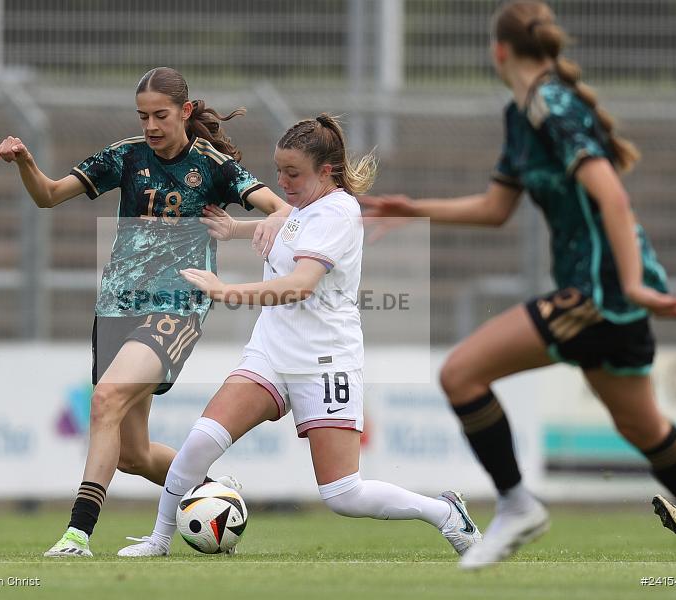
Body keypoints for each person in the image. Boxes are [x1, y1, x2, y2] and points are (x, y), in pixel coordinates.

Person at [360, 1, 676, 583]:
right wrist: (414, 208)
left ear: (499, 51)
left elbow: (613, 197)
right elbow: (497, 208)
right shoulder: (521, 114)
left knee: (461, 374)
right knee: (643, 427)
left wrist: (628, 285)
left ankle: (517, 505)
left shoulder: (552, 105)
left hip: (601, 290)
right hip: (607, 291)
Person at [116, 114, 483, 558]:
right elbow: (290, 223)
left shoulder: (339, 212)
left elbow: (299, 284)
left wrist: (224, 290)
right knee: (198, 444)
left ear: (325, 172)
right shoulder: (306, 205)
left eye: (293, 173)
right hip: (271, 353)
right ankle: (159, 540)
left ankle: (444, 513)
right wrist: (241, 228)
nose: (282, 181)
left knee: (343, 494)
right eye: (279, 171)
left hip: (324, 362)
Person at [0, 66, 289, 558]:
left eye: (160, 115)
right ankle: (217, 493)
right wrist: (25, 160)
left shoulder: (212, 166)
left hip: (177, 305)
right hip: (116, 306)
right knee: (132, 453)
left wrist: (236, 229)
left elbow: (280, 210)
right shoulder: (125, 157)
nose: (150, 125)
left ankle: (77, 534)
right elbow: (47, 196)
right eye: (143, 115)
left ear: (185, 112)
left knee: (106, 399)